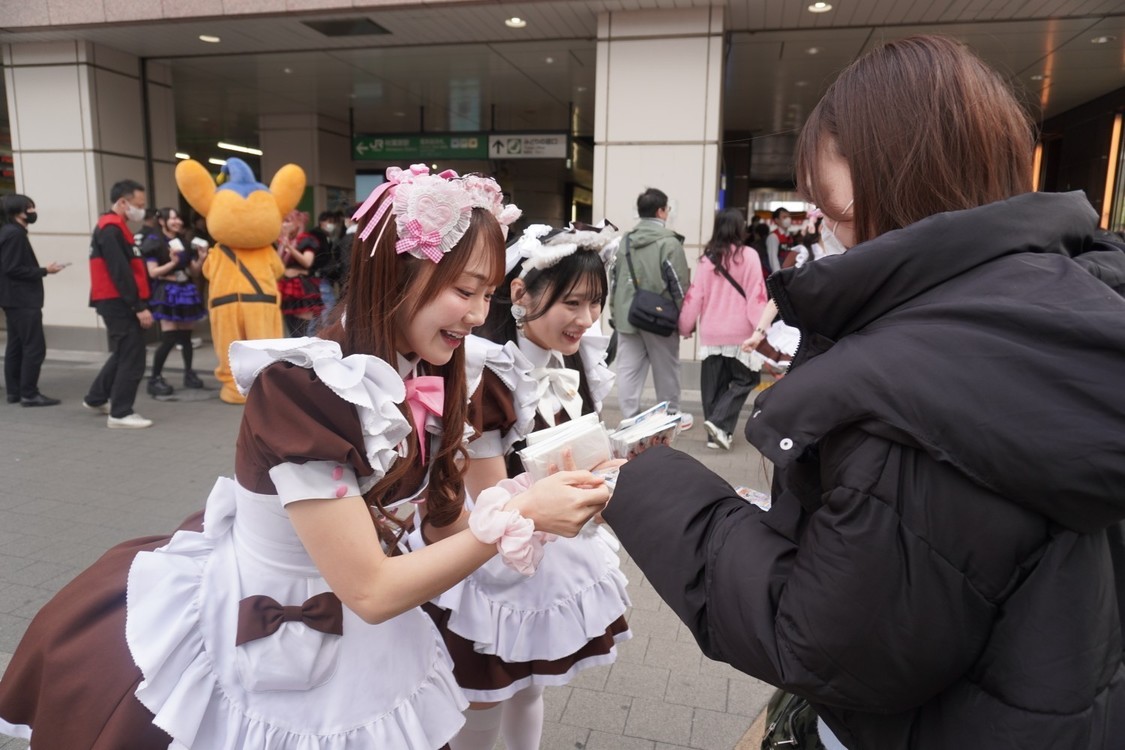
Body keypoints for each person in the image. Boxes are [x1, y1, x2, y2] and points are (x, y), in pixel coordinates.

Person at [603, 35, 1125, 749]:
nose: (821, 216)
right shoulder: (1071, 302)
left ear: (895, 165)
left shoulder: (916, 384)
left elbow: (833, 647)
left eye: (828, 194)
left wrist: (645, 483)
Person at [0, 164, 614, 749]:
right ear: (395, 274)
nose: (480, 315)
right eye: (464, 290)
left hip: (364, 622)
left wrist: (547, 503)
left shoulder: (440, 369)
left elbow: (446, 524)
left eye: (486, 294)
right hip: (267, 623)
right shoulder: (305, 387)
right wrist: (521, 518)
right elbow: (369, 590)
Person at [433, 222, 629, 750]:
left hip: (551, 540)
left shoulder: (576, 361)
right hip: (492, 552)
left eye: (595, 304)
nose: (586, 321)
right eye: (572, 303)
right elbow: (494, 503)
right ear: (520, 293)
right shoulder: (483, 377)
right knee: (483, 695)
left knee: (527, 688)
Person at [677, 208, 767, 450]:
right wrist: (761, 330)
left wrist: (685, 326)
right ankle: (719, 424)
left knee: (712, 387)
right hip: (741, 333)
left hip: (712, 333)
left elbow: (694, 296)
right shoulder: (750, 256)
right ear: (740, 228)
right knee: (747, 379)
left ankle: (715, 435)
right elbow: (757, 296)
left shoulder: (708, 259)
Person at [609, 188, 692, 426]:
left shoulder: (625, 241)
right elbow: (678, 284)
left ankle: (630, 417)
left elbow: (614, 279)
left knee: (628, 370)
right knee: (666, 368)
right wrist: (683, 318)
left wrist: (615, 312)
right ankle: (670, 413)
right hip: (660, 318)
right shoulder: (669, 243)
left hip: (627, 315)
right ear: (661, 211)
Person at [83, 179, 155, 429]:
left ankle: (96, 398)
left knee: (124, 351)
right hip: (118, 301)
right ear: (123, 202)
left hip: (116, 300)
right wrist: (138, 307)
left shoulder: (114, 227)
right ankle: (121, 413)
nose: (141, 209)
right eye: (138, 204)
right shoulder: (111, 229)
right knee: (133, 355)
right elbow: (120, 272)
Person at [0, 194, 65, 406]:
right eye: (29, 208)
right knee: (34, 347)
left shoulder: (9, 233)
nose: (33, 211)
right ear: (17, 212)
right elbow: (13, 268)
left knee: (16, 345)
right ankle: (29, 393)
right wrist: (45, 270)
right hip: (22, 299)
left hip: (13, 298)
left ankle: (15, 392)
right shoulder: (15, 235)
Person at [141, 207, 208, 396]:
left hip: (185, 290)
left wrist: (201, 259)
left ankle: (189, 373)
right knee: (169, 338)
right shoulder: (153, 241)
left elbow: (193, 271)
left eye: (178, 217)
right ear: (162, 221)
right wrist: (171, 263)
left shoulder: (184, 242)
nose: (177, 221)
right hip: (167, 291)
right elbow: (152, 272)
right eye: (172, 218)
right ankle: (155, 377)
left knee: (186, 337)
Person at [276, 209, 324, 336]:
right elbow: (277, 265)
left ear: (297, 223)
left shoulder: (306, 240)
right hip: (284, 286)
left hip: (300, 287)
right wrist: (284, 243)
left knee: (300, 332)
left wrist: (289, 247)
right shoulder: (280, 241)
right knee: (291, 331)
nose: (283, 225)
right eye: (282, 222)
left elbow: (307, 262)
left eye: (287, 221)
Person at [765, 207, 794, 273]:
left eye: (789, 217)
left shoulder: (789, 236)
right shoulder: (773, 237)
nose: (788, 219)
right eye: (784, 217)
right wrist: (779, 276)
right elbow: (773, 259)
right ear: (776, 220)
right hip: (779, 274)